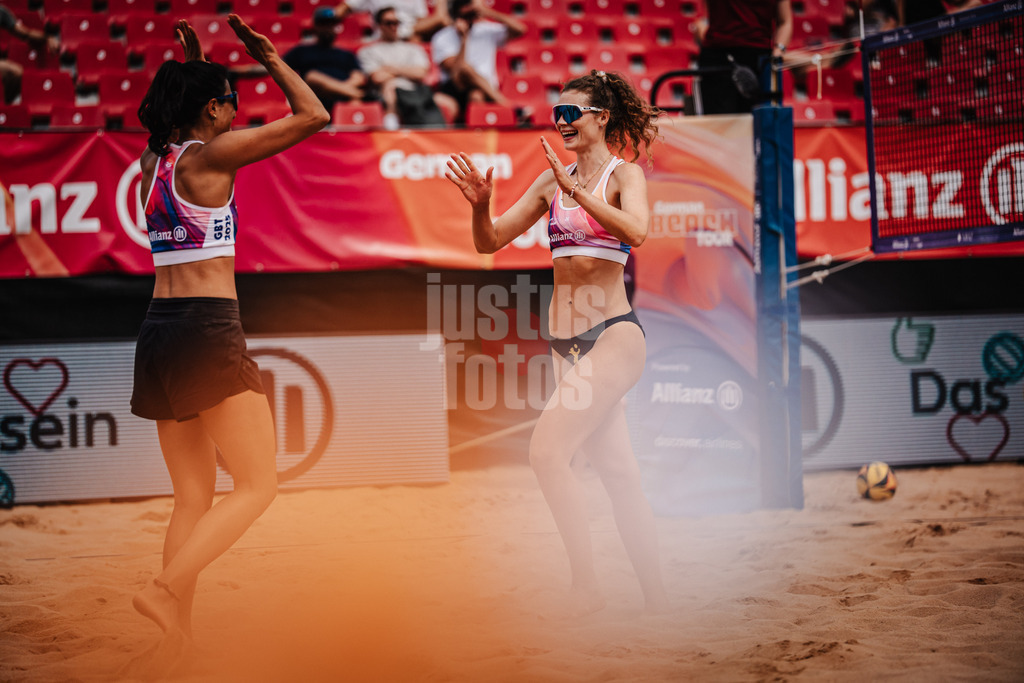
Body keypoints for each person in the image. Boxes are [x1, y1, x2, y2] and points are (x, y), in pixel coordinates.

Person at [130, 16, 329, 641]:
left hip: (158, 332)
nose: (236, 118)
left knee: (192, 499)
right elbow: (313, 115)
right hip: (207, 330)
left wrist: (196, 66)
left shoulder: (152, 161)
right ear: (213, 109)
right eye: (230, 106)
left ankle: (176, 635)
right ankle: (163, 590)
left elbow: (179, 117)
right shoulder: (212, 156)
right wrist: (268, 57)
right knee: (257, 484)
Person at [445, 70, 668, 616]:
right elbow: (489, 241)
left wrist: (577, 194)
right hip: (564, 344)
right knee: (619, 476)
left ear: (600, 117)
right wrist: (480, 204)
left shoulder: (623, 175)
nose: (561, 122)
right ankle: (660, 602)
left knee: (546, 454)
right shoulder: (552, 182)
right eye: (556, 114)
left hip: (614, 335)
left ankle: (585, 588)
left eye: (571, 113)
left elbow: (637, 233)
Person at [430, 0, 525, 124]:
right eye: (464, 15)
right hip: (455, 88)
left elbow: (521, 29)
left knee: (476, 95)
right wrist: (464, 39)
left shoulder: (485, 30)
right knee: (466, 68)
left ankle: (479, 135)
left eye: (471, 14)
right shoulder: (442, 37)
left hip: (484, 89)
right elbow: (456, 71)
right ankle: (509, 107)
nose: (469, 19)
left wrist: (488, 12)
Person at [696, 0, 792, 115]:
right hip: (718, 57)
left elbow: (785, 22)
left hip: (760, 61)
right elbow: (706, 15)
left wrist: (778, 51)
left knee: (757, 123)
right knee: (718, 123)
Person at [358, 6, 445, 129]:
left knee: (449, 104)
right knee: (390, 88)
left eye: (396, 22)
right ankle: (391, 134)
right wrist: (407, 72)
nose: (393, 26)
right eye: (389, 23)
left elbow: (420, 73)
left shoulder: (414, 49)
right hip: (388, 93)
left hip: (418, 92)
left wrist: (391, 69)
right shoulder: (367, 51)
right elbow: (378, 77)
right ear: (379, 25)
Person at [283, 7, 366, 113]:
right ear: (315, 26)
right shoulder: (302, 50)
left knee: (356, 101)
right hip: (314, 99)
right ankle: (352, 93)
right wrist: (350, 91)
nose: (328, 27)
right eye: (323, 24)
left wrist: (343, 90)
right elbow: (278, 66)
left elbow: (358, 77)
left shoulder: (346, 54)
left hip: (343, 99)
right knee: (312, 76)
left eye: (331, 24)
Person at [0, 3, 59, 104]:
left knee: (16, 73)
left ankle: (3, 106)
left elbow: (25, 33)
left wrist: (47, 38)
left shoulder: (1, 12)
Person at [332, 0, 450, 42]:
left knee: (417, 38)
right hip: (384, 33)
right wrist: (329, 18)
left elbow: (421, 20)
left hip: (410, 34)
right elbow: (345, 7)